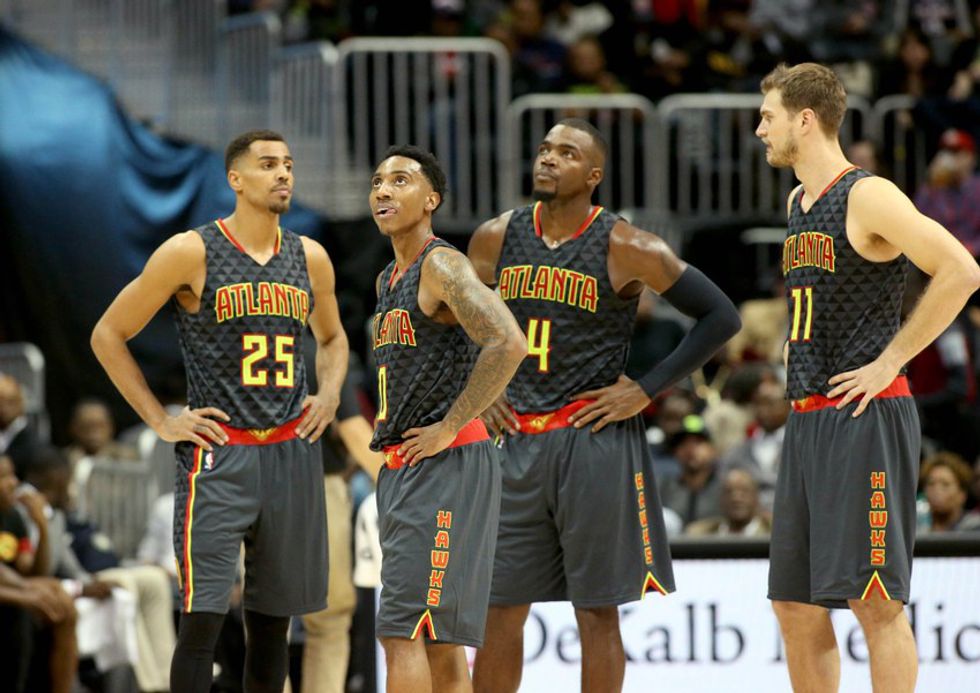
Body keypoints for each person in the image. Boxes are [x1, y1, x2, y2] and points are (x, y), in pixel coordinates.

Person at [468, 118, 741, 693]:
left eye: (566, 153)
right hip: (514, 440)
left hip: (589, 439)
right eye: (545, 149)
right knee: (497, 610)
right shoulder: (494, 237)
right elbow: (454, 316)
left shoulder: (628, 245)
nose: (548, 158)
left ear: (594, 175)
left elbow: (721, 317)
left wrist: (646, 388)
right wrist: (480, 386)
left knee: (596, 612)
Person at [90, 129, 349, 693]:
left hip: (289, 453)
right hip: (220, 455)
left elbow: (332, 339)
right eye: (268, 164)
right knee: (201, 623)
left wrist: (329, 394)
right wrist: (162, 420)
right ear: (236, 179)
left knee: (273, 628)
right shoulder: (191, 251)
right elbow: (108, 334)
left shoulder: (311, 257)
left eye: (288, 164)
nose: (284, 174)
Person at [756, 62, 980, 693]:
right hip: (807, 419)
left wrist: (891, 359)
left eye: (768, 117)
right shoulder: (798, 202)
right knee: (795, 606)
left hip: (864, 417)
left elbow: (961, 270)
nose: (760, 129)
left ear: (805, 119)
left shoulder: (868, 195)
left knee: (875, 602)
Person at [368, 145, 526, 693]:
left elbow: (508, 342)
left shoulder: (441, 264)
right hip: (409, 465)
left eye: (400, 180)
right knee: (439, 639)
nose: (383, 190)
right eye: (378, 181)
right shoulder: (388, 278)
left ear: (431, 199)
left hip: (444, 464)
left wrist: (451, 424)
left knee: (402, 630)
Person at [685, 468, 773, 537]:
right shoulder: (699, 534)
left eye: (744, 492)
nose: (736, 498)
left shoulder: (772, 532)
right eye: (729, 492)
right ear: (720, 499)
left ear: (756, 498)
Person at [917, 451, 980, 533]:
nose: (936, 490)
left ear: (962, 494)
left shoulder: (975, 528)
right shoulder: (917, 529)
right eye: (931, 483)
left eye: (945, 484)